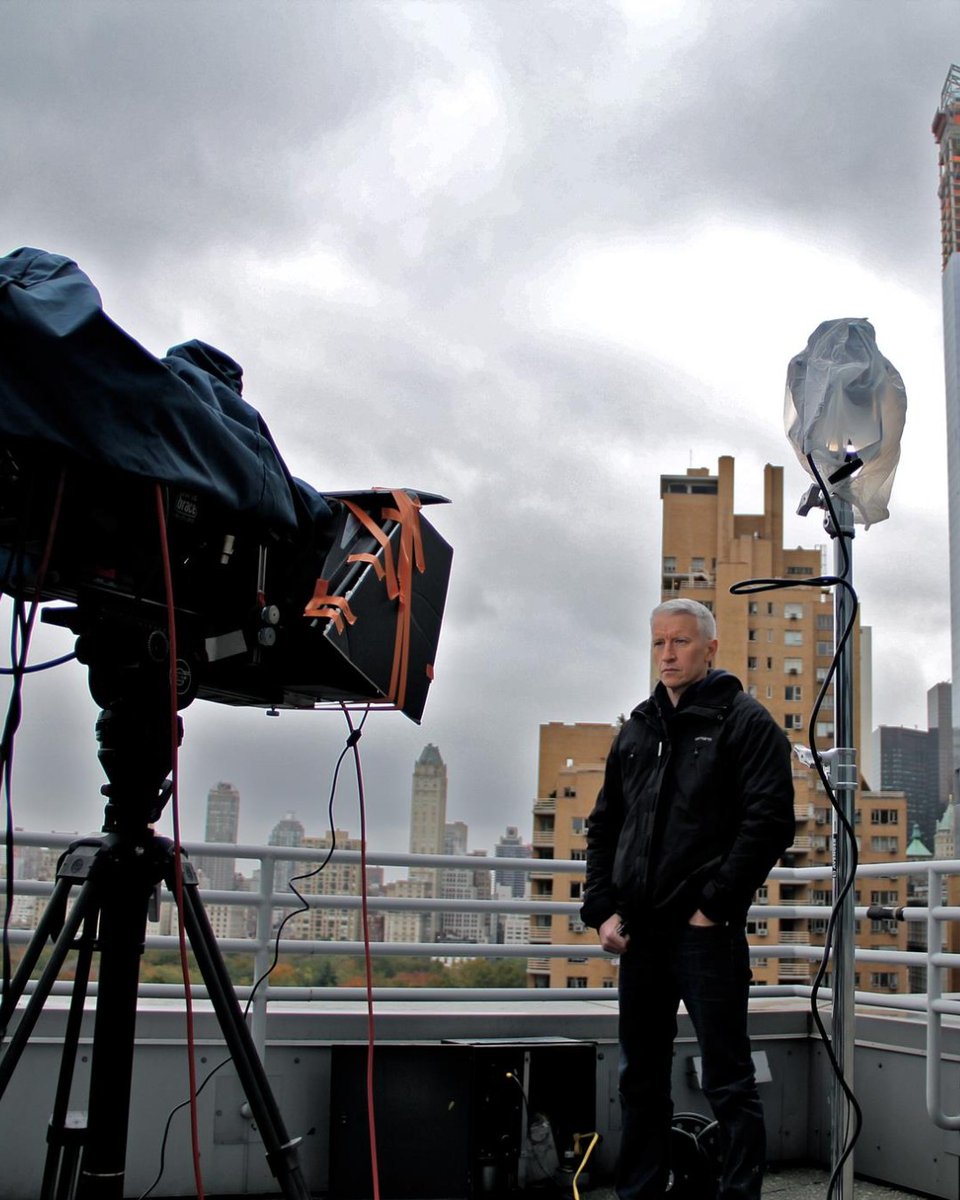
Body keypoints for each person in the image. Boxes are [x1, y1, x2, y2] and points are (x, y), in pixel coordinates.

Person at [580, 598, 795, 1200]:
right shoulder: (638, 728)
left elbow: (771, 823)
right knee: (640, 1079)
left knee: (729, 1080)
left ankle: (738, 1195)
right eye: (659, 643)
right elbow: (604, 825)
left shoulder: (745, 722)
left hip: (706, 935)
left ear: (710, 648)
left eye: (680, 642)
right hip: (641, 936)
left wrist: (713, 907)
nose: (667, 654)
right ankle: (641, 1193)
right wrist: (601, 909)